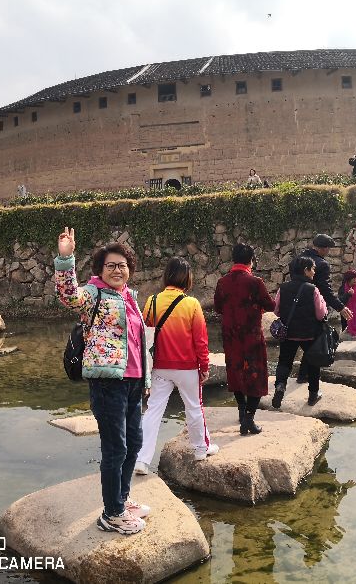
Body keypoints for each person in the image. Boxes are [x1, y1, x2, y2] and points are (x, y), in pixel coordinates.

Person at [55, 227, 150, 535]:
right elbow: (69, 297)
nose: (117, 270)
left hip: (133, 382)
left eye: (122, 265)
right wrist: (66, 258)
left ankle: (121, 499)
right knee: (115, 448)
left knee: (134, 442)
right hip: (108, 383)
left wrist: (145, 380)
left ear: (129, 270)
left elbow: (139, 342)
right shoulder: (93, 293)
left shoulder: (131, 298)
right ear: (100, 269)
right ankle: (112, 513)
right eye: (110, 265)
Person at [134, 257, 215, 476]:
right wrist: (204, 366)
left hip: (159, 367)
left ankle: (141, 459)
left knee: (152, 411)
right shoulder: (192, 304)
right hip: (188, 368)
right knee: (194, 407)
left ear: (166, 275)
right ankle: (201, 449)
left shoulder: (151, 301)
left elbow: (145, 336)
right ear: (187, 277)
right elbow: (201, 341)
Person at [214, 243, 275, 435]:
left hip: (231, 337)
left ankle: (242, 411)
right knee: (255, 376)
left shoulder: (222, 282)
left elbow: (217, 308)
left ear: (233, 259)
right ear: (251, 260)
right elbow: (270, 305)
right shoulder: (255, 282)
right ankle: (248, 419)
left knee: (236, 372)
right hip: (252, 337)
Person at [294, 234, 353, 382]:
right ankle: (305, 377)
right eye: (328, 249)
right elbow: (325, 291)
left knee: (295, 343)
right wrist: (340, 307)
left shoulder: (297, 259)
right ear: (324, 249)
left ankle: (291, 376)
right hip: (314, 307)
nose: (328, 252)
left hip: (295, 305)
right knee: (315, 342)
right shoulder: (321, 264)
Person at [272, 256, 328, 408]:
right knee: (313, 363)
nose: (314, 272)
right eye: (313, 269)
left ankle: (280, 385)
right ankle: (313, 395)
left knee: (284, 361)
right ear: (305, 270)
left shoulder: (283, 288)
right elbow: (320, 314)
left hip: (288, 333)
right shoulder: (312, 289)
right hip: (309, 333)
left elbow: (276, 310)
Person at [337, 269, 356, 338]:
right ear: (349, 279)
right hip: (347, 314)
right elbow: (340, 302)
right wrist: (348, 294)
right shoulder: (343, 289)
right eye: (354, 278)